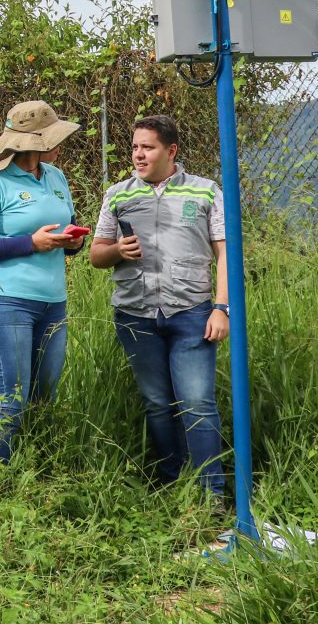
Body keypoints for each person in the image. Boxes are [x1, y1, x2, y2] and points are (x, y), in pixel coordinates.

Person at [88, 114, 230, 502]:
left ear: (171, 151)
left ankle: (210, 496)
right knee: (156, 404)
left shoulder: (204, 192)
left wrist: (222, 308)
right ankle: (172, 485)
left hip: (192, 314)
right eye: (134, 147)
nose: (138, 154)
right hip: (136, 315)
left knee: (198, 402)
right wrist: (117, 250)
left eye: (147, 147)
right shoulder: (118, 194)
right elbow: (96, 255)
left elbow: (226, 254)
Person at [0, 100, 84, 462]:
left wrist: (73, 243)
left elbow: (65, 234)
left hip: (52, 303)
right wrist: (31, 243)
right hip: (4, 302)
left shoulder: (55, 177)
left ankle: (38, 471)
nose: (60, 142)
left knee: (45, 398)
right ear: (35, 142)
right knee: (11, 400)